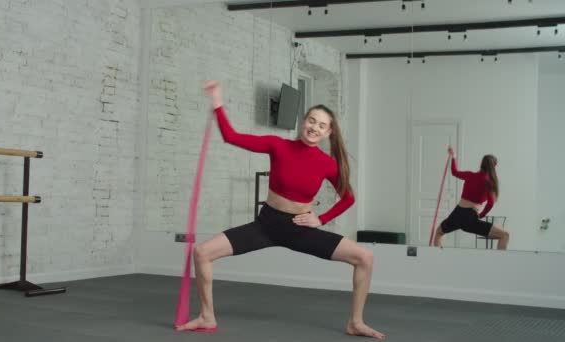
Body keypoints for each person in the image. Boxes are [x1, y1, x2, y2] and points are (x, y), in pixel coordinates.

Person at [175, 81, 385, 339]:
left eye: (322, 125)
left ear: (329, 132)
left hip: (300, 230)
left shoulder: (327, 164)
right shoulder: (278, 146)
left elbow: (348, 198)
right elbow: (232, 137)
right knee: (202, 252)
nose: (314, 127)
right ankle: (207, 316)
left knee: (365, 258)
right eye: (311, 120)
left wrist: (321, 218)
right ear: (303, 121)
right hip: (267, 226)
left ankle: (355, 322)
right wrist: (218, 102)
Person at [433, 146, 509, 250]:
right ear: (494, 166)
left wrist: (453, 157)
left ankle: (437, 260)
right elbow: (490, 203)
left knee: (438, 232)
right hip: (470, 217)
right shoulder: (489, 183)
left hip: (457, 214)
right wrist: (481, 215)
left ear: (481, 164)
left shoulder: (470, 175)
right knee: (504, 235)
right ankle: (500, 265)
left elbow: (454, 172)